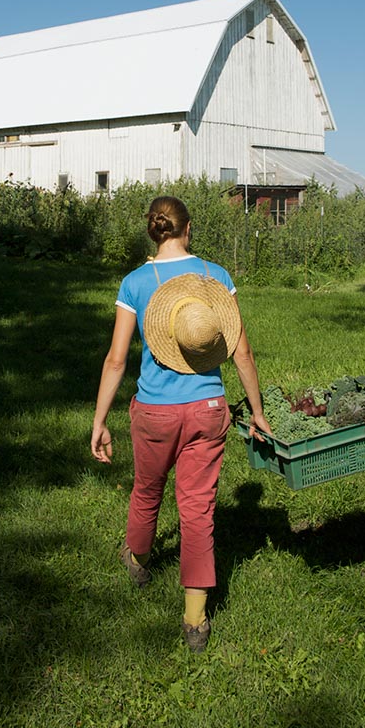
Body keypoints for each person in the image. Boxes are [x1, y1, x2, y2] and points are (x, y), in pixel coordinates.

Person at [91, 195, 272, 651]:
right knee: (197, 508)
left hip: (154, 411)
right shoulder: (217, 277)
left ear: (153, 230)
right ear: (188, 229)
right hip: (209, 409)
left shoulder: (135, 282)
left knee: (148, 488)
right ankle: (195, 619)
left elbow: (116, 359)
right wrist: (258, 410)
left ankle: (138, 559)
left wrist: (99, 420)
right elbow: (242, 352)